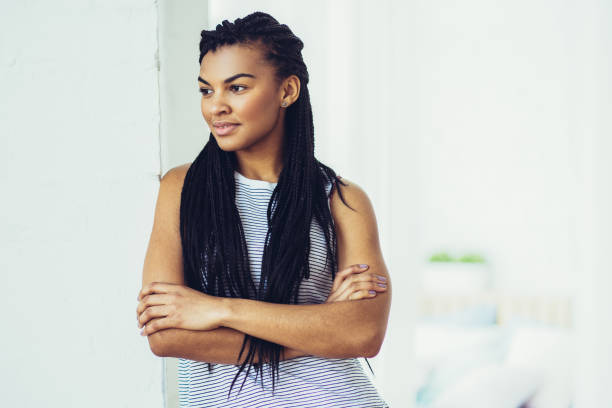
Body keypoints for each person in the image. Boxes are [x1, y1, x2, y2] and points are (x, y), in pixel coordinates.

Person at [136, 11, 391, 407]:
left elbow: (362, 335)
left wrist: (216, 309)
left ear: (287, 91)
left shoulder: (342, 201)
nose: (216, 106)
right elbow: (166, 334)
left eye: (236, 88)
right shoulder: (181, 189)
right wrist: (318, 326)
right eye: (206, 90)